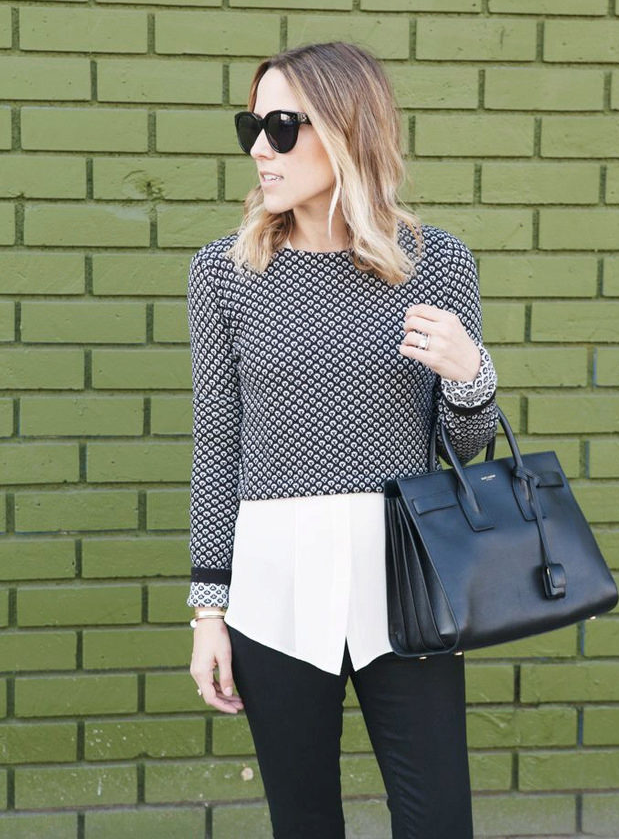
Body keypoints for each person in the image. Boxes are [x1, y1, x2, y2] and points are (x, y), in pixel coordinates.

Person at [186, 41, 499, 838]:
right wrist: (208, 612)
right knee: (304, 821)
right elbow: (218, 444)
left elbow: (464, 451)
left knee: (438, 820)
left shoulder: (437, 263)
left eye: (282, 127)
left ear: (348, 129)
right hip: (275, 584)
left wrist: (471, 376)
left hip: (407, 579)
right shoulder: (224, 273)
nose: (260, 148)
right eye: (252, 126)